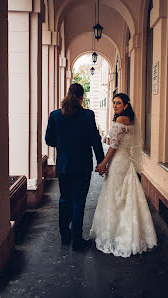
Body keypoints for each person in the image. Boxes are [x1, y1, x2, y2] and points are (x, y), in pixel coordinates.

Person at [90, 93, 157, 257]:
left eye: (118, 103)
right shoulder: (130, 120)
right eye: (113, 103)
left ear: (126, 105)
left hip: (119, 162)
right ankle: (127, 231)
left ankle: (118, 233)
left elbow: (113, 146)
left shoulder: (121, 121)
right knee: (126, 196)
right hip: (125, 161)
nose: (115, 105)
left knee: (117, 196)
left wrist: (103, 163)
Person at [45, 83, 104, 251]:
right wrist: (101, 162)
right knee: (79, 202)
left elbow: (49, 140)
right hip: (82, 166)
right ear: (81, 98)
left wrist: (63, 143)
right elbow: (95, 140)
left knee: (64, 200)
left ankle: (65, 236)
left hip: (63, 165)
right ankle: (77, 240)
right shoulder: (87, 115)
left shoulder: (55, 115)